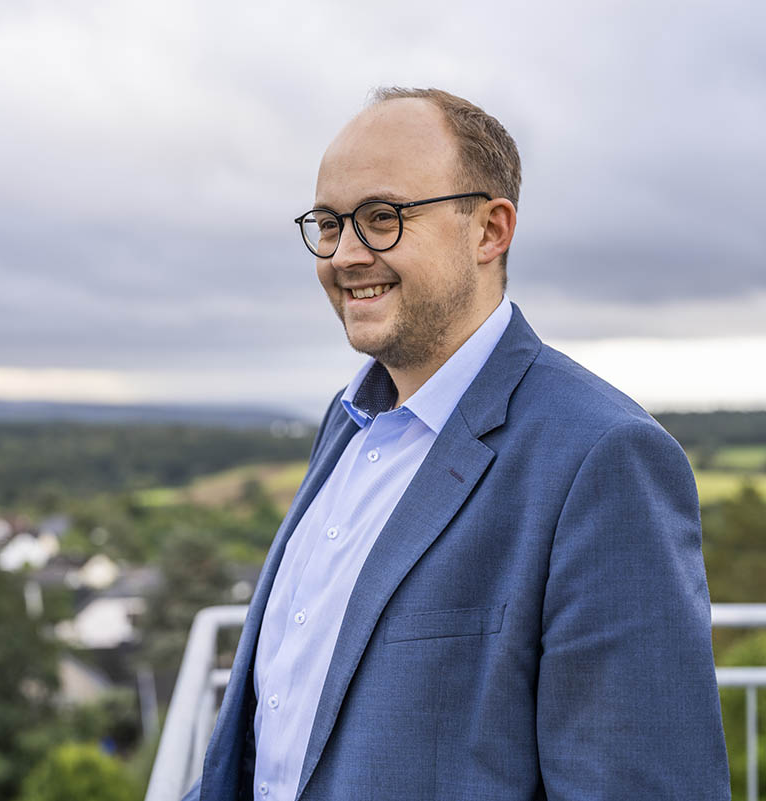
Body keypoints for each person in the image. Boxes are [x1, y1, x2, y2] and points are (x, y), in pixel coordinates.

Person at [185, 87, 729, 801]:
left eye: (382, 218)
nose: (345, 254)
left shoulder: (603, 457)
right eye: (328, 223)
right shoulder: (348, 421)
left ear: (489, 230)